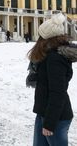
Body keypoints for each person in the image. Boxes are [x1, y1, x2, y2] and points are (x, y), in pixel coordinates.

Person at [28, 13, 77, 146]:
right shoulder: (49, 55)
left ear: (47, 38)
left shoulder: (55, 58)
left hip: (56, 118)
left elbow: (58, 92)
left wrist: (49, 123)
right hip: (44, 113)